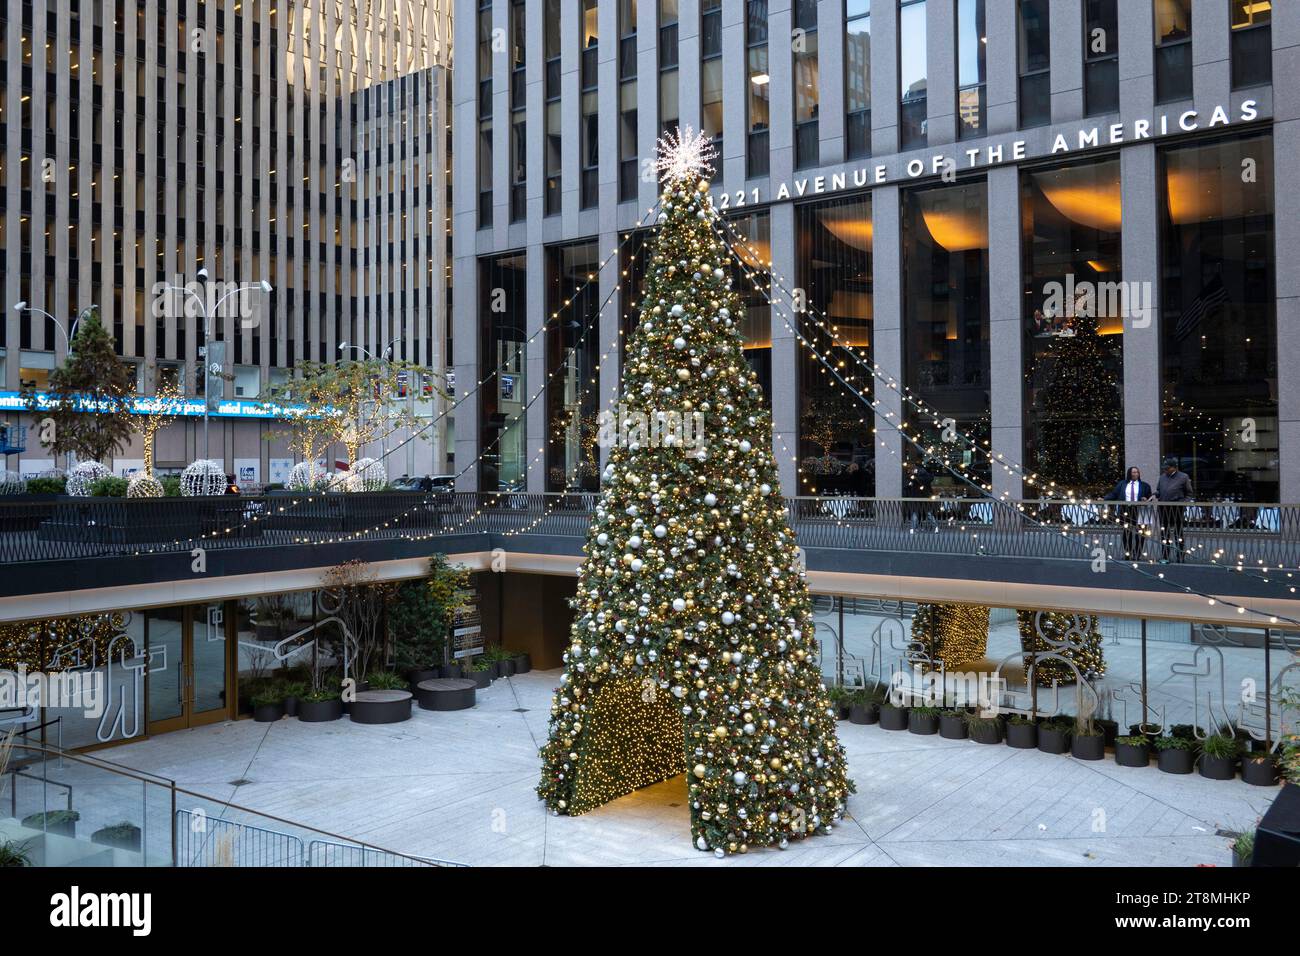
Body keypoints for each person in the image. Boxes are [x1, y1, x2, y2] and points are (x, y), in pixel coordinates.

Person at [1104, 466, 1153, 559]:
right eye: (1133, 472)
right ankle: (1128, 553)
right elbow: (1114, 494)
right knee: (1127, 533)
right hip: (1125, 510)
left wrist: (1145, 499)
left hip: (1139, 510)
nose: (1135, 474)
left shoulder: (1144, 485)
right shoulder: (1122, 484)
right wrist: (1104, 498)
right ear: (1129, 473)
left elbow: (1149, 497)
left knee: (1140, 533)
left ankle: (1137, 553)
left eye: (1137, 472)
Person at [1155, 457, 1194, 563]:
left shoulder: (1183, 477)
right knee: (1164, 532)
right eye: (1165, 468)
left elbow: (1189, 493)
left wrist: (1183, 503)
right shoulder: (1162, 477)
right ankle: (1165, 555)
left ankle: (1180, 555)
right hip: (1163, 508)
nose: (1165, 470)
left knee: (1178, 532)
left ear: (1174, 468)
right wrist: (1155, 494)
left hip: (1177, 509)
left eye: (1167, 468)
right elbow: (1159, 490)